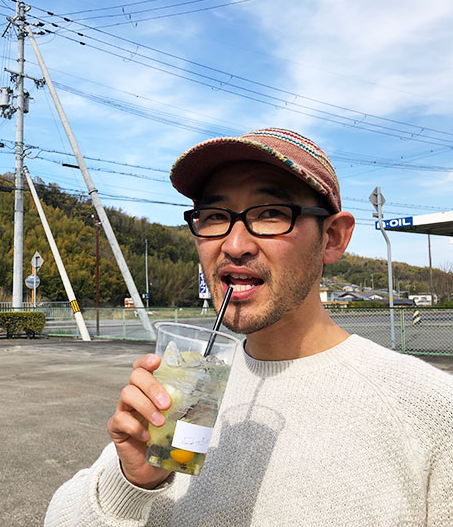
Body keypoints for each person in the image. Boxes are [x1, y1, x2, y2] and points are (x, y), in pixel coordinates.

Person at [44, 128, 453, 526]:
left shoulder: (430, 411)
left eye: (271, 213)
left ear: (332, 237)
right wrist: (130, 480)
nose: (235, 244)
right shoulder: (188, 383)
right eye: (215, 216)